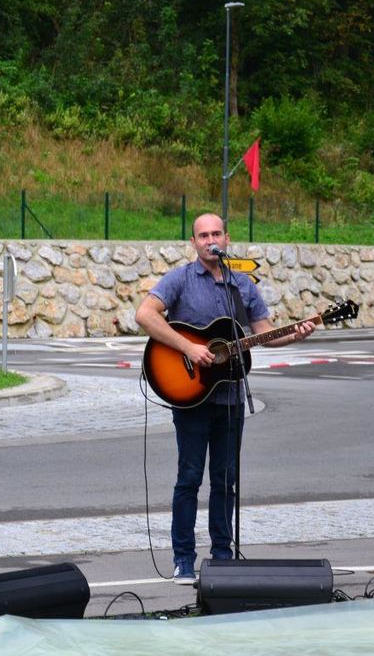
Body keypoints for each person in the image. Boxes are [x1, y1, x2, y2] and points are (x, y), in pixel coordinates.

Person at [135, 213, 316, 584]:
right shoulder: (180, 279)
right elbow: (144, 314)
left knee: (225, 480)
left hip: (230, 397)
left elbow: (264, 331)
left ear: (227, 239)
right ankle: (183, 559)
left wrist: (295, 334)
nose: (210, 240)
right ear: (193, 242)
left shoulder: (241, 285)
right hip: (190, 396)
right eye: (203, 235)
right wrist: (188, 347)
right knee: (189, 478)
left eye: (216, 233)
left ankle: (222, 556)